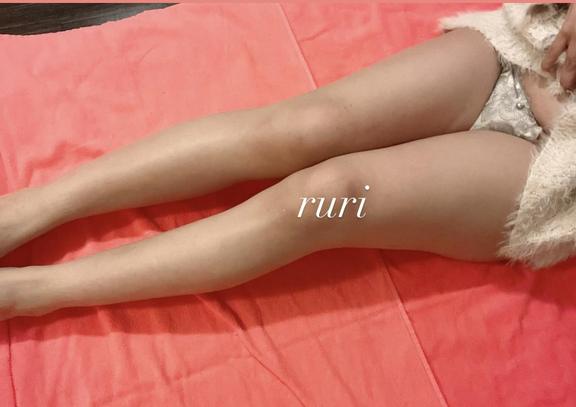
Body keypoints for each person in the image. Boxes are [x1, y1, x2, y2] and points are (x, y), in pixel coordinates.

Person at [0, 4, 574, 321]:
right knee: (302, 127)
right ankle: (30, 209)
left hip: (554, 163)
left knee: (323, 200)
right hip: (526, 48)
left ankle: (34, 291)